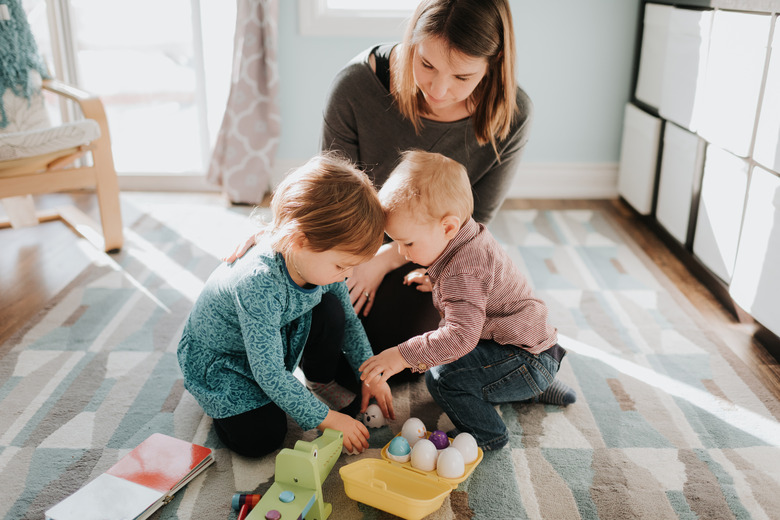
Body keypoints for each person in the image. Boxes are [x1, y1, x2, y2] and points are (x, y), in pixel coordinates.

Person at [227, 0, 532, 358]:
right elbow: (331, 191)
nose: (438, 89)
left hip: (428, 252)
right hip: (351, 235)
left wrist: (386, 259)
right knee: (290, 315)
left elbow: (474, 220)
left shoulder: (511, 115)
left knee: (399, 348)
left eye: (462, 77)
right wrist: (286, 232)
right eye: (426, 64)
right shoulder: (356, 85)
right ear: (412, 41)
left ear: (492, 64)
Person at [178, 154, 394, 457]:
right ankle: (217, 405)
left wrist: (371, 374)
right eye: (342, 265)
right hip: (226, 359)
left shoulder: (318, 263)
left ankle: (318, 380)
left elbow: (348, 319)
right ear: (299, 241)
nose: (347, 275)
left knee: (331, 306)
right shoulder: (259, 283)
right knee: (263, 438)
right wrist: (326, 419)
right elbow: (268, 373)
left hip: (271, 337)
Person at [359, 150, 576, 451]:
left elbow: (460, 338)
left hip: (526, 359)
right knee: (458, 365)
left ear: (447, 227)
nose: (402, 252)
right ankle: (531, 387)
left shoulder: (464, 272)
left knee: (442, 378)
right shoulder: (467, 239)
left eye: (407, 242)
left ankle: (488, 434)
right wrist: (436, 281)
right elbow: (479, 289)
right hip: (532, 347)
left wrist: (402, 355)